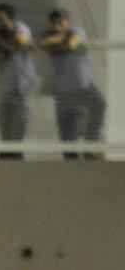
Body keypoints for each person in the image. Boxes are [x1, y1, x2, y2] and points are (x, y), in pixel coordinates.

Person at [41, 8, 106, 160]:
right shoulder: (47, 35)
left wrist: (56, 41)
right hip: (63, 90)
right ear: (49, 23)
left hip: (82, 85)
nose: (58, 25)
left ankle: (90, 146)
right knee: (67, 134)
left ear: (67, 21)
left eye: (61, 21)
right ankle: (74, 160)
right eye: (54, 22)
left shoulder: (77, 31)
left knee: (99, 105)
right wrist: (57, 40)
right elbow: (44, 43)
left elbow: (71, 44)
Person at [0, 3, 37, 160]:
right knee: (3, 118)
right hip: (3, 81)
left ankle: (16, 150)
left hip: (22, 80)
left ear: (11, 19)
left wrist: (5, 43)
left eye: (1, 19)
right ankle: (7, 150)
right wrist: (7, 47)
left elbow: (27, 46)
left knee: (20, 118)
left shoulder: (21, 28)